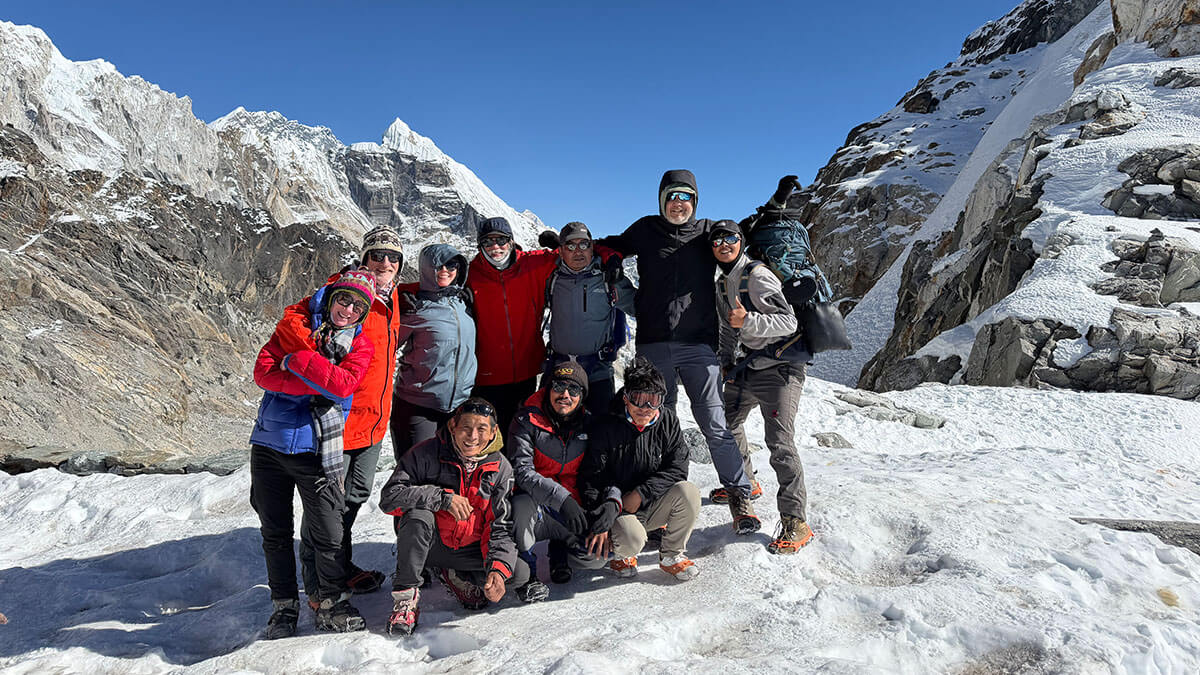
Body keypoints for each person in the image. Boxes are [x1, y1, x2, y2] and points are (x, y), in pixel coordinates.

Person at [596, 169, 762, 531]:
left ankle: (740, 494)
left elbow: (737, 244)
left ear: (695, 202)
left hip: (699, 343)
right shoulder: (645, 229)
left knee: (714, 422)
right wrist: (611, 258)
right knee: (655, 424)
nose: (678, 204)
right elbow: (609, 244)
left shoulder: (707, 232)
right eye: (672, 197)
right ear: (661, 201)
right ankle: (660, 502)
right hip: (654, 343)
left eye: (685, 197)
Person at [278, 225, 406, 596]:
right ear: (364, 257)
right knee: (326, 506)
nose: (384, 263)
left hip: (374, 422)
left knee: (353, 498)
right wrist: (307, 353)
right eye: (377, 255)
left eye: (393, 257)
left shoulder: (394, 298)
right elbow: (294, 316)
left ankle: (338, 565)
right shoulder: (342, 291)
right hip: (338, 419)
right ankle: (319, 584)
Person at [250, 269, 377, 638]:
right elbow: (263, 373)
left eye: (358, 306)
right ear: (332, 297)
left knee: (329, 532)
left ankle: (331, 602)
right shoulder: (295, 327)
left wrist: (294, 361)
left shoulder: (361, 345)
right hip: (270, 445)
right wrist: (317, 379)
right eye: (344, 299)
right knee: (275, 531)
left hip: (318, 449)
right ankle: (284, 606)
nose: (348, 310)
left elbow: (343, 387)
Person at [379, 397, 543, 636]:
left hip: (470, 549)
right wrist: (441, 498)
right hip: (431, 545)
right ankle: (405, 601)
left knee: (518, 573)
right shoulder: (425, 454)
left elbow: (499, 526)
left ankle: (456, 575)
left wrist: (497, 570)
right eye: (466, 427)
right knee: (418, 515)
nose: (473, 436)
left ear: (493, 432)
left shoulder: (500, 468)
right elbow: (389, 498)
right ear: (453, 426)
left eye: (481, 429)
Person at [711, 220, 814, 553]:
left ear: (741, 242)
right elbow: (728, 328)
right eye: (717, 240)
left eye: (730, 238)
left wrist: (749, 321)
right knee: (726, 426)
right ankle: (746, 483)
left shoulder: (757, 276)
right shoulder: (723, 283)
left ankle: (796, 521)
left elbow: (789, 321)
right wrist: (726, 361)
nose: (723, 244)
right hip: (748, 367)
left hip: (780, 370)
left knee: (780, 443)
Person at [579, 356, 701, 581]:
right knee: (631, 539)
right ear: (626, 398)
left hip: (650, 501)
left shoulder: (667, 420)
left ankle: (671, 555)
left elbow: (678, 467)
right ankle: (623, 555)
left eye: (653, 400)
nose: (646, 408)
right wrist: (602, 516)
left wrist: (641, 493)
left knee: (688, 492)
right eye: (638, 399)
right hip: (619, 509)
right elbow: (592, 477)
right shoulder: (606, 425)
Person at [507, 359, 607, 585]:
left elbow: (602, 470)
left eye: (574, 390)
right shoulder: (525, 420)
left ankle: (562, 550)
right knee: (520, 505)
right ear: (548, 389)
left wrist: (602, 509)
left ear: (582, 396)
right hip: (536, 506)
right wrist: (563, 499)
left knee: (599, 557)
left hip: (572, 509)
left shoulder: (590, 424)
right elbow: (522, 471)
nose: (565, 395)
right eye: (559, 386)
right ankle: (528, 571)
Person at [466, 217, 560, 434]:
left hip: (526, 372)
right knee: (488, 436)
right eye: (488, 241)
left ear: (511, 241)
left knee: (520, 434)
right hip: (487, 375)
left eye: (501, 240)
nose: (495, 247)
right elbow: (434, 283)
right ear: (480, 245)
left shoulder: (531, 264)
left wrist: (559, 245)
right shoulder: (470, 273)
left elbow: (577, 253)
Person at [389, 243, 476, 459]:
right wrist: (397, 299)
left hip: (458, 407)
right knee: (416, 471)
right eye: (438, 266)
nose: (445, 270)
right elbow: (385, 346)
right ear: (427, 269)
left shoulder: (464, 304)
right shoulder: (413, 306)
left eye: (451, 265)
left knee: (451, 472)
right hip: (418, 406)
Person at [542, 221, 636, 414]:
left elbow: (641, 307)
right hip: (559, 370)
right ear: (561, 250)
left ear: (592, 247)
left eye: (583, 244)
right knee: (546, 426)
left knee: (601, 428)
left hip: (597, 372)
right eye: (570, 245)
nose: (578, 251)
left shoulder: (608, 278)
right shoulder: (550, 278)